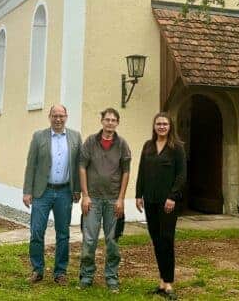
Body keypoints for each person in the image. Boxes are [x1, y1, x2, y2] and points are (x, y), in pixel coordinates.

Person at [23, 104, 82, 285]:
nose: (58, 119)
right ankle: (37, 270)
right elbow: (31, 164)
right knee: (37, 232)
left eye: (61, 116)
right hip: (42, 191)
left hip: (65, 192)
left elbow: (79, 165)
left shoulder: (75, 137)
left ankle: (60, 272)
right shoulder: (39, 136)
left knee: (63, 234)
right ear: (49, 117)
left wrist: (77, 189)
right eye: (55, 116)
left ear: (66, 117)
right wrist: (27, 191)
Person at [78, 107, 131, 293]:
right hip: (93, 200)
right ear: (102, 121)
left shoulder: (122, 144)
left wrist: (121, 199)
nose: (110, 123)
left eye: (113, 120)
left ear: (117, 123)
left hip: (113, 201)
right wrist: (85, 195)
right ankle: (86, 276)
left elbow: (126, 171)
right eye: (107, 119)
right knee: (89, 239)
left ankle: (112, 278)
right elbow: (82, 167)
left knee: (112, 240)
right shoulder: (90, 142)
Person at [135, 112, 186, 299]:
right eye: (158, 124)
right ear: (154, 126)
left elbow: (181, 175)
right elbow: (141, 171)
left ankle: (170, 282)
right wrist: (138, 195)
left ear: (170, 126)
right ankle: (162, 282)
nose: (162, 126)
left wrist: (173, 197)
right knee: (156, 240)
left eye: (165, 124)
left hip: (168, 203)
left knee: (166, 240)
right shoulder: (148, 146)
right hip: (150, 200)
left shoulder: (177, 148)